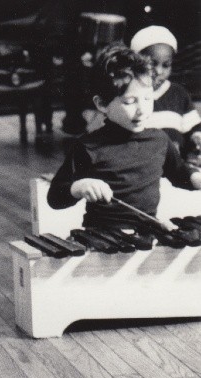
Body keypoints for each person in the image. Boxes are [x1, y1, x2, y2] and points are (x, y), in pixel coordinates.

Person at [47, 44, 201, 230]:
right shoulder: (88, 146)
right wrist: (78, 187)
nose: (142, 109)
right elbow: (55, 198)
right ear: (102, 104)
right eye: (130, 102)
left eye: (147, 99)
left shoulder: (159, 140)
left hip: (146, 234)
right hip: (103, 240)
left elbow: (179, 173)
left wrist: (195, 178)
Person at [130, 25, 201, 156]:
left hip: (175, 169)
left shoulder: (179, 94)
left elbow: (194, 129)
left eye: (166, 65)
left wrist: (197, 136)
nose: (159, 71)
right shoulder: (129, 93)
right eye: (152, 63)